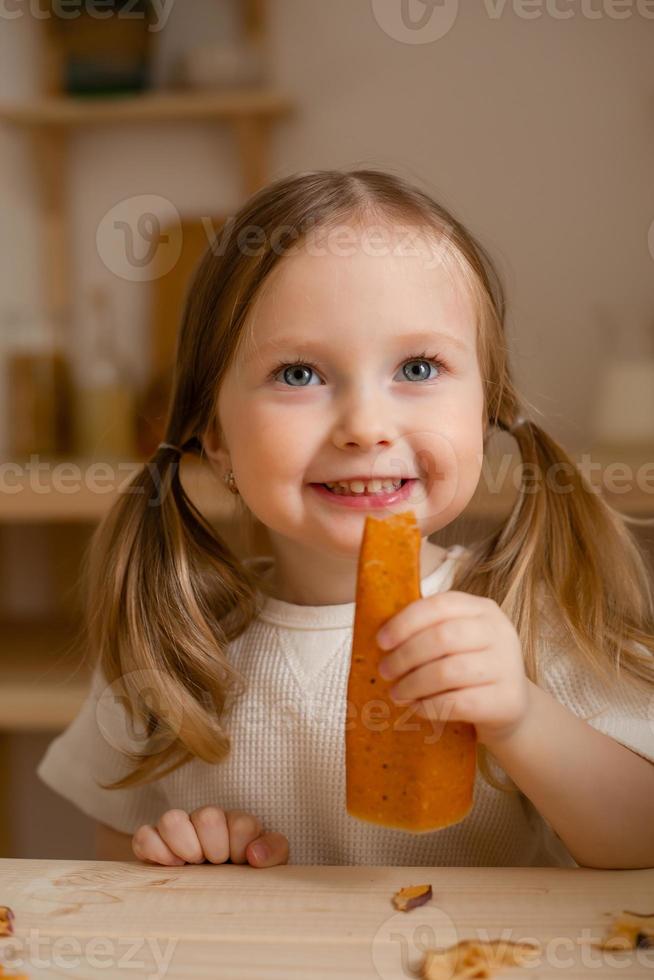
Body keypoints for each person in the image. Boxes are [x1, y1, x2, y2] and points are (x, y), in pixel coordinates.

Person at [38, 169, 654, 870]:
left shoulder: (533, 622)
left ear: (484, 412)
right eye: (299, 374)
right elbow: (114, 855)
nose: (365, 426)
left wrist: (521, 718)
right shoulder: (169, 642)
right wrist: (181, 859)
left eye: (418, 369)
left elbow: (643, 840)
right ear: (216, 436)